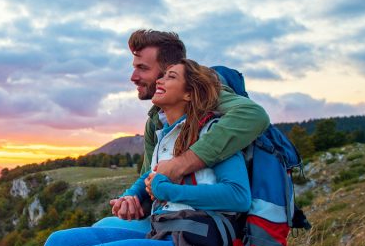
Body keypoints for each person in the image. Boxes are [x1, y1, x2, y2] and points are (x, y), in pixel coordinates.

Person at [16, 59, 251, 246]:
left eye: (170, 77)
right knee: (57, 243)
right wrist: (131, 197)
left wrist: (171, 192)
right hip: (161, 236)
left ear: (188, 93)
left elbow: (238, 196)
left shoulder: (213, 133)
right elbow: (151, 186)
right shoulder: (166, 135)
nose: (159, 80)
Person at [94, 29, 268, 230]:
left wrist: (179, 165)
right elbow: (152, 176)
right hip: (164, 218)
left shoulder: (208, 99)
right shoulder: (156, 121)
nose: (133, 76)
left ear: (171, 70)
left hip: (196, 230)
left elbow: (254, 115)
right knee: (93, 229)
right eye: (134, 67)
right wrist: (132, 197)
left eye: (142, 68)